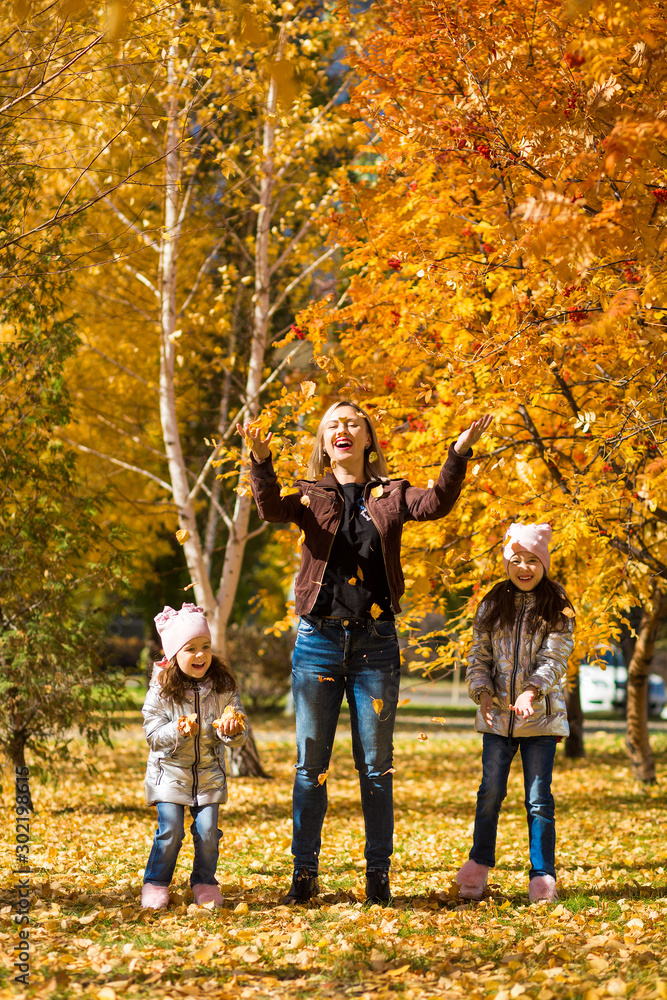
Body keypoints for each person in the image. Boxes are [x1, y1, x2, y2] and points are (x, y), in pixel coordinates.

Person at [239, 401, 491, 905]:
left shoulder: (391, 494)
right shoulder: (308, 495)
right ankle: (304, 875)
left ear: (368, 439)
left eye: (352, 423)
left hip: (375, 646)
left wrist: (458, 453)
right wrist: (261, 461)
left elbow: (436, 503)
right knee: (311, 767)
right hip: (319, 643)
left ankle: (379, 877)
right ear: (323, 442)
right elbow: (268, 509)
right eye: (333, 423)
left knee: (375, 767)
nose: (343, 429)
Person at [456, 523, 574, 904]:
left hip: (539, 719)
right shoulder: (491, 603)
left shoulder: (557, 603)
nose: (524, 568)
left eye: (532, 561)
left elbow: (555, 656)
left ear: (544, 564)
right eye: (516, 560)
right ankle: (477, 866)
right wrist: (483, 691)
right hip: (498, 722)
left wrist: (531, 690)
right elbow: (479, 656)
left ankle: (543, 877)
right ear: (506, 563)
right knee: (490, 792)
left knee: (538, 800)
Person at [141, 603, 248, 909]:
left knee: (208, 833)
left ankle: (204, 881)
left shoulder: (223, 686)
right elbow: (153, 736)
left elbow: (239, 730)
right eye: (191, 649)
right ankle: (156, 882)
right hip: (169, 775)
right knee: (170, 830)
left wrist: (230, 728)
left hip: (208, 776)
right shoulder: (160, 690)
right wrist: (178, 730)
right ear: (174, 654)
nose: (201, 655)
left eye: (205, 647)